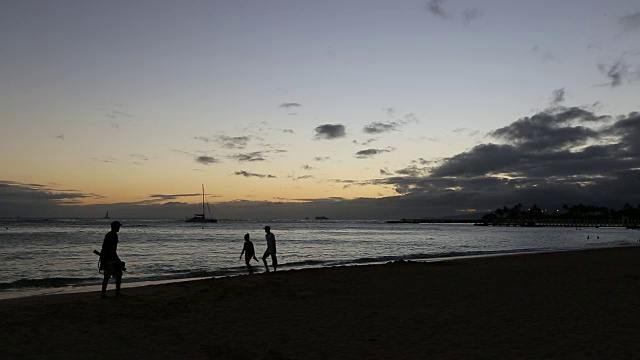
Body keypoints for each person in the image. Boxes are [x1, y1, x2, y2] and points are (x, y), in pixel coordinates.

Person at [100, 221, 124, 298]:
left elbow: (105, 247)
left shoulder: (108, 234)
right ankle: (117, 293)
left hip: (105, 258)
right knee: (118, 274)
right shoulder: (113, 235)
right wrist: (118, 260)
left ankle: (103, 294)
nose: (119, 228)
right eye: (118, 226)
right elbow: (112, 250)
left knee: (106, 277)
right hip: (110, 259)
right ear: (115, 227)